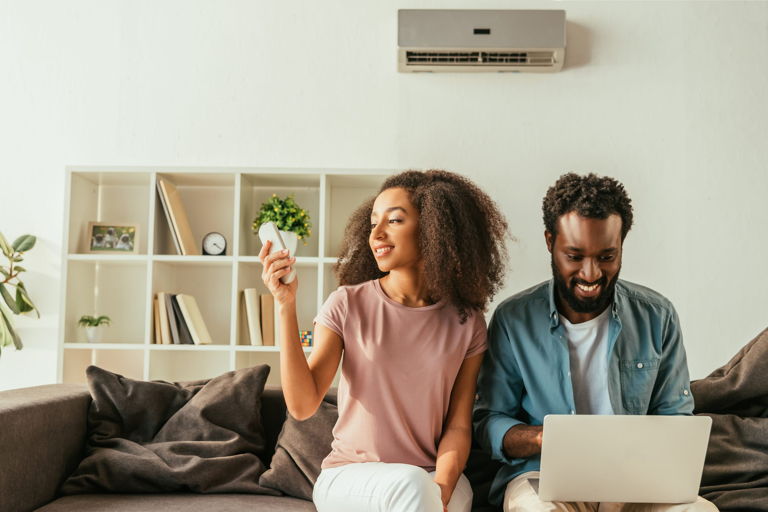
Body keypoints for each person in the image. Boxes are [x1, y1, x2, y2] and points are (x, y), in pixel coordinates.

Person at [260, 170, 508, 512]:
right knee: (412, 487)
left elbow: (459, 425)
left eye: (394, 220)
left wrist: (442, 489)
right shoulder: (347, 303)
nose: (376, 234)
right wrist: (285, 305)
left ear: (435, 229)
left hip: (430, 476)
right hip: (350, 476)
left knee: (428, 489)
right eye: (373, 222)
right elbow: (302, 405)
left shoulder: (466, 322)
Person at [473, 173, 718, 511]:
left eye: (606, 257)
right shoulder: (513, 319)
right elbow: (490, 420)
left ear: (621, 244)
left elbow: (675, 416)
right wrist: (545, 440)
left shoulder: (657, 315)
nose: (590, 274)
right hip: (542, 479)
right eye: (574, 256)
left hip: (637, 482)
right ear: (550, 242)